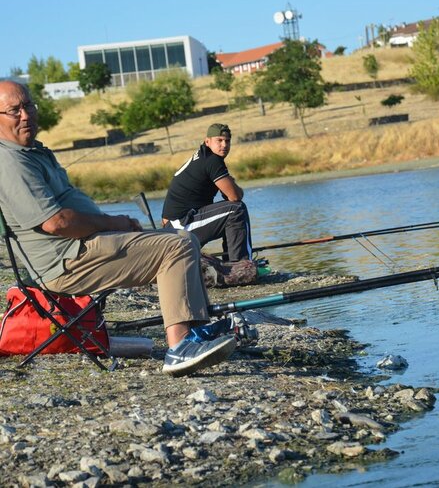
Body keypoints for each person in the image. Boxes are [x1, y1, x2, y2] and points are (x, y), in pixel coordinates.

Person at [0, 81, 236, 377]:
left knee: (184, 237)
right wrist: (115, 223)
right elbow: (56, 223)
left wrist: (114, 227)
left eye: (29, 106)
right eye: (14, 110)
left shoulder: (32, 152)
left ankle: (198, 329)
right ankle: (179, 348)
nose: (25, 115)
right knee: (175, 247)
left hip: (85, 247)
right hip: (68, 262)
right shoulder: (9, 161)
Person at [162, 123, 252, 262]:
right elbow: (235, 196)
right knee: (236, 210)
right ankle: (241, 265)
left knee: (228, 211)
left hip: (173, 227)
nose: (224, 145)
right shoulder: (212, 160)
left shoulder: (203, 156)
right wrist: (233, 184)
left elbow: (228, 195)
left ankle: (231, 263)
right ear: (207, 141)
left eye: (227, 141)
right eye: (219, 140)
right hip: (179, 229)